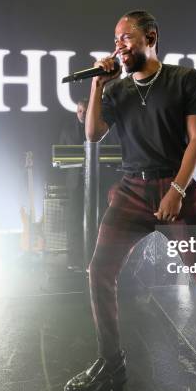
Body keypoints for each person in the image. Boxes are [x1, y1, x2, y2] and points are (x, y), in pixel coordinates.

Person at [64, 11, 196, 391]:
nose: (118, 45)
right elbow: (92, 134)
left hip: (177, 188)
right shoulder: (117, 91)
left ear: (150, 36)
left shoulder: (184, 79)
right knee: (99, 272)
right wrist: (98, 86)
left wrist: (177, 190)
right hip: (131, 190)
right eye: (116, 39)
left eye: (126, 37)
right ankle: (111, 364)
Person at [58, 99, 119, 271]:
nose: (83, 114)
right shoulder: (67, 129)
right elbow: (60, 156)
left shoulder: (103, 128)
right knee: (74, 221)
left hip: (99, 183)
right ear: (76, 112)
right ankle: (74, 260)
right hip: (75, 183)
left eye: (85, 111)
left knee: (100, 220)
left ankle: (97, 259)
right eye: (80, 111)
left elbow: (111, 152)